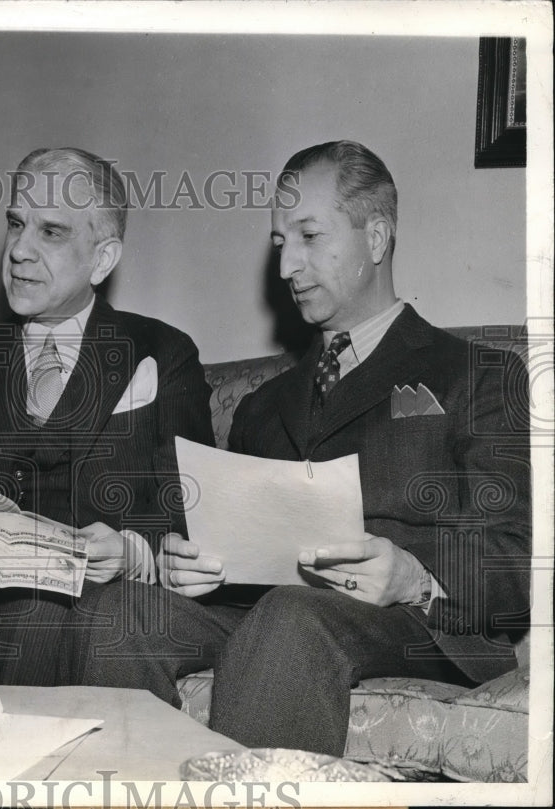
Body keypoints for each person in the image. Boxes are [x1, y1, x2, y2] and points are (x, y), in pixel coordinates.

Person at [59, 140, 531, 756]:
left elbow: (520, 558)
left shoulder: (482, 375)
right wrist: (193, 568)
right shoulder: (263, 404)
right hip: (272, 613)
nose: (286, 267)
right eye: (281, 243)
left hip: (417, 622)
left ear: (378, 237)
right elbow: (238, 559)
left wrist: (416, 577)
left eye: (309, 236)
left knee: (293, 614)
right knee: (117, 614)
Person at [0, 147, 214, 684]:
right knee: (29, 620)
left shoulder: (162, 351)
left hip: (113, 608)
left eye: (51, 232)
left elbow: (192, 510)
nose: (19, 251)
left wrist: (130, 552)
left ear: (102, 259)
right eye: (16, 224)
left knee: (78, 625)